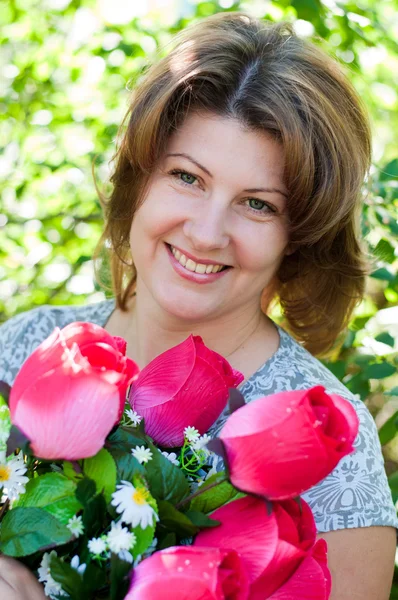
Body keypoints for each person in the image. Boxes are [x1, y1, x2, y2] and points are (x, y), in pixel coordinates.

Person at [0, 11, 396, 600]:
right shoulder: (26, 347)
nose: (207, 233)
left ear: (301, 235)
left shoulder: (324, 440)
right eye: (187, 177)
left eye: (258, 205)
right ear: (139, 181)